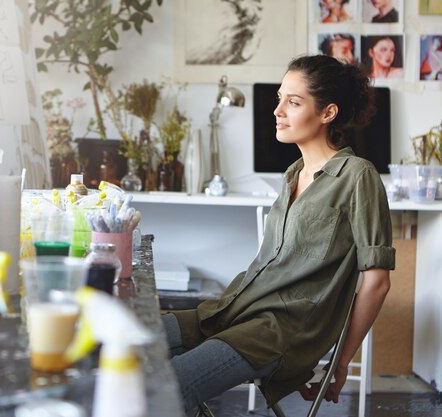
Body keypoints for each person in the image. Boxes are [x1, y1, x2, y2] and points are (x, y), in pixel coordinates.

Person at [162, 54, 395, 413]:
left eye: (294, 101)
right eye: (279, 99)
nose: (278, 110)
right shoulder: (293, 174)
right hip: (232, 311)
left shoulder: (357, 176)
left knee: (171, 385)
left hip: (278, 334)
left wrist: (339, 362)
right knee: (129, 340)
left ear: (327, 113)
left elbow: (376, 281)